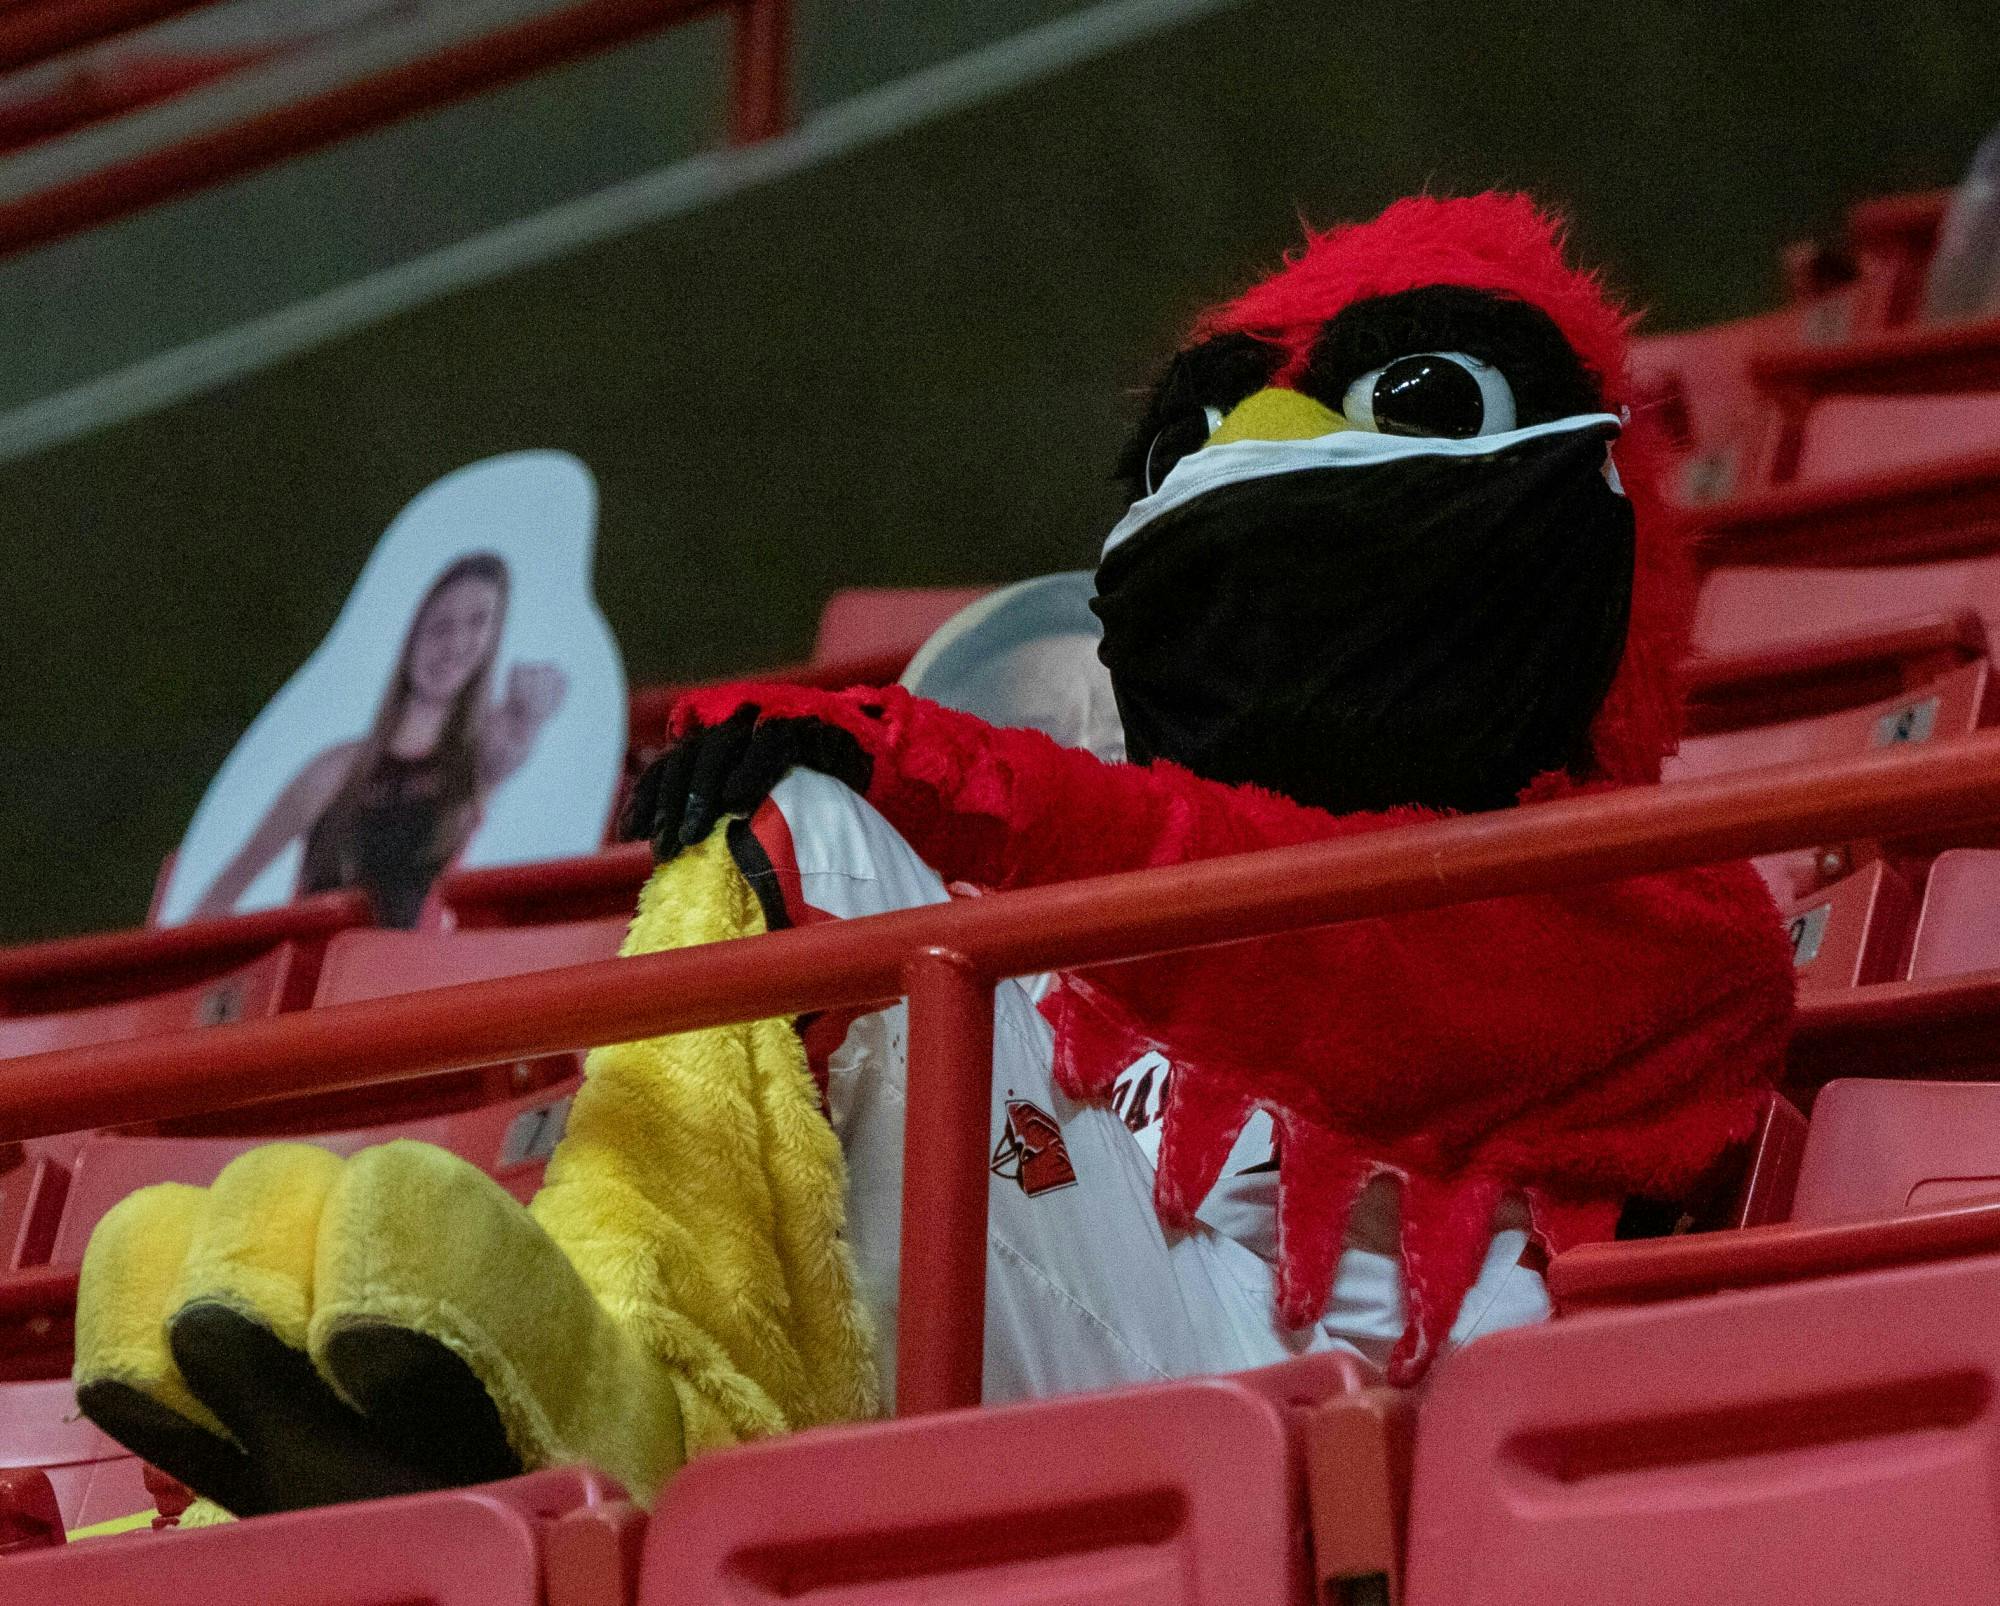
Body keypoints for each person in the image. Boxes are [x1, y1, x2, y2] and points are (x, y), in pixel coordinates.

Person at [190, 552, 568, 928]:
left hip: (413, 978)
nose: (454, 643)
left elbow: (506, 753)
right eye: (440, 624)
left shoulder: (474, 763)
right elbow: (225, 890)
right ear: (413, 631)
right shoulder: (332, 773)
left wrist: (528, 718)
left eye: (477, 623)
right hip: (328, 980)